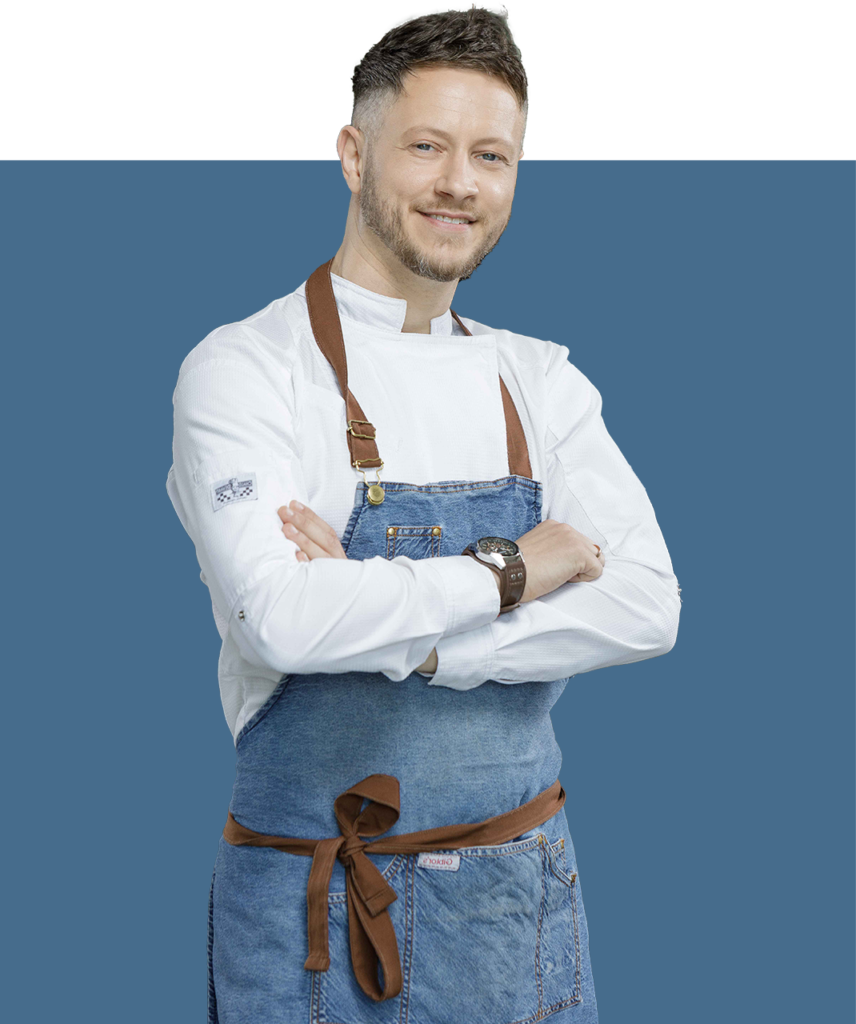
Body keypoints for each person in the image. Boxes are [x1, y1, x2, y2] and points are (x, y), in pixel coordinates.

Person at [165, 6, 680, 1022]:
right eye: (427, 146)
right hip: (308, 923)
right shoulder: (245, 369)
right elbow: (280, 621)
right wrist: (512, 572)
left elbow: (648, 608)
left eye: (492, 156)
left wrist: (416, 637)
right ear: (354, 154)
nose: (461, 183)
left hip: (518, 914)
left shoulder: (542, 381)